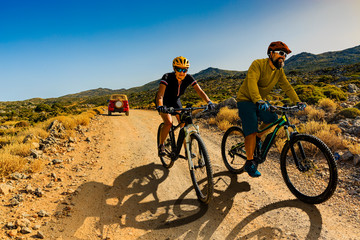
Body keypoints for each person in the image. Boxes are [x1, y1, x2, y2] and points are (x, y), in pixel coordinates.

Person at [236, 41, 306, 177]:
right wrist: (258, 100)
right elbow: (251, 82)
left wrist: (298, 101)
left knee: (273, 118)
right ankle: (249, 162)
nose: (283, 57)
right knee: (250, 129)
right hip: (246, 99)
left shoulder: (279, 71)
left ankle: (258, 137)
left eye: (285, 55)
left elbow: (287, 87)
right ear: (271, 53)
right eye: (281, 53)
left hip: (260, 100)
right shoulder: (257, 64)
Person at [156, 56, 215, 156]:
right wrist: (161, 106)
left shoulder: (188, 78)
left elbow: (200, 91)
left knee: (183, 124)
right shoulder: (167, 77)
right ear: (174, 69)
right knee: (169, 122)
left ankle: (187, 150)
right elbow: (160, 94)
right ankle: (161, 145)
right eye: (179, 69)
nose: (182, 72)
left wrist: (209, 102)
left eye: (185, 70)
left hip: (175, 101)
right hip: (164, 101)